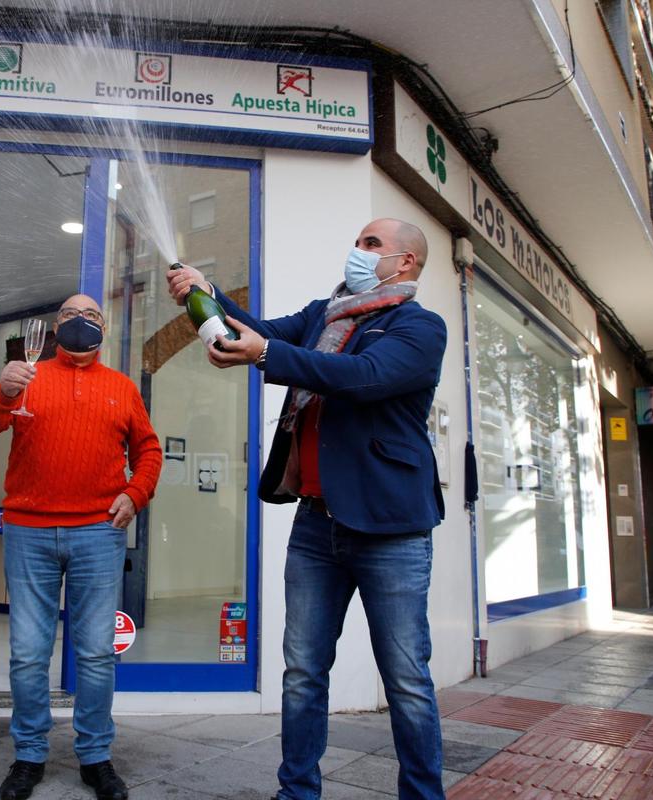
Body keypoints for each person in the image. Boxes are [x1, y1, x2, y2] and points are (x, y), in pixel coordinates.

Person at [168, 218, 448, 800]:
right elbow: (267, 332)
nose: (358, 249)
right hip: (316, 526)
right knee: (301, 674)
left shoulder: (419, 327)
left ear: (405, 264)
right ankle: (297, 792)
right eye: (358, 239)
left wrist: (267, 353)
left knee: (406, 681)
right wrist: (206, 291)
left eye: (372, 244)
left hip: (391, 530)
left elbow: (363, 378)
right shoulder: (327, 312)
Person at [0, 294, 162, 800]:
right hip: (28, 531)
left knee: (97, 653)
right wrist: (3, 394)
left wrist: (135, 493)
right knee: (28, 654)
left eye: (93, 316)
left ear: (105, 328)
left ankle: (96, 757)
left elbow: (148, 449)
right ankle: (29, 755)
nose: (83, 322)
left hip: (98, 532)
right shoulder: (28, 376)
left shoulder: (122, 387)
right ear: (56, 327)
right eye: (73, 315)